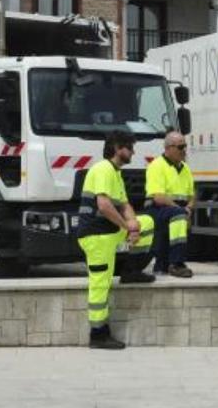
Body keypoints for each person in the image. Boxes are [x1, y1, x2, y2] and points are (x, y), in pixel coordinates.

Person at [76, 132, 156, 349]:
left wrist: (133, 225)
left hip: (108, 233)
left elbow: (124, 204)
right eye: (130, 147)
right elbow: (103, 205)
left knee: (146, 222)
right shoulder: (102, 169)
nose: (133, 152)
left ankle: (131, 271)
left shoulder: (115, 173)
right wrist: (125, 225)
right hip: (96, 236)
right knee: (100, 285)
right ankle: (98, 334)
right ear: (117, 147)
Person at [144, 131, 194, 278]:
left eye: (185, 146)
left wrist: (189, 207)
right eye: (180, 147)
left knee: (177, 218)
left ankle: (162, 266)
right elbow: (158, 197)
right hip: (158, 208)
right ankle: (177, 263)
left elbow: (192, 195)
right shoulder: (156, 166)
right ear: (168, 148)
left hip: (177, 209)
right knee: (178, 217)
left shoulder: (185, 168)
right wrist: (182, 210)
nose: (184, 150)